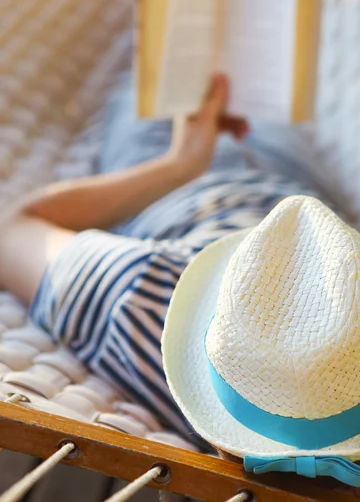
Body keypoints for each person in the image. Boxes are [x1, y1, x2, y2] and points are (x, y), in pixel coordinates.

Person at [0, 73, 326, 447]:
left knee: (159, 67)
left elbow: (11, 228)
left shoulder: (147, 300)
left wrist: (181, 163)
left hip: (182, 185)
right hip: (297, 181)